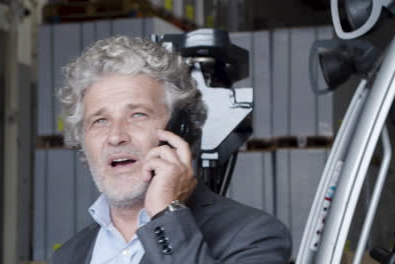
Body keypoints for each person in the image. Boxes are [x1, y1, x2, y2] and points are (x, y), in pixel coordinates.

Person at [53, 36, 292, 264]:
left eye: (138, 115)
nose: (116, 136)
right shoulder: (69, 255)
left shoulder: (253, 235)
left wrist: (166, 215)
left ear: (180, 129)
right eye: (100, 121)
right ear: (82, 139)